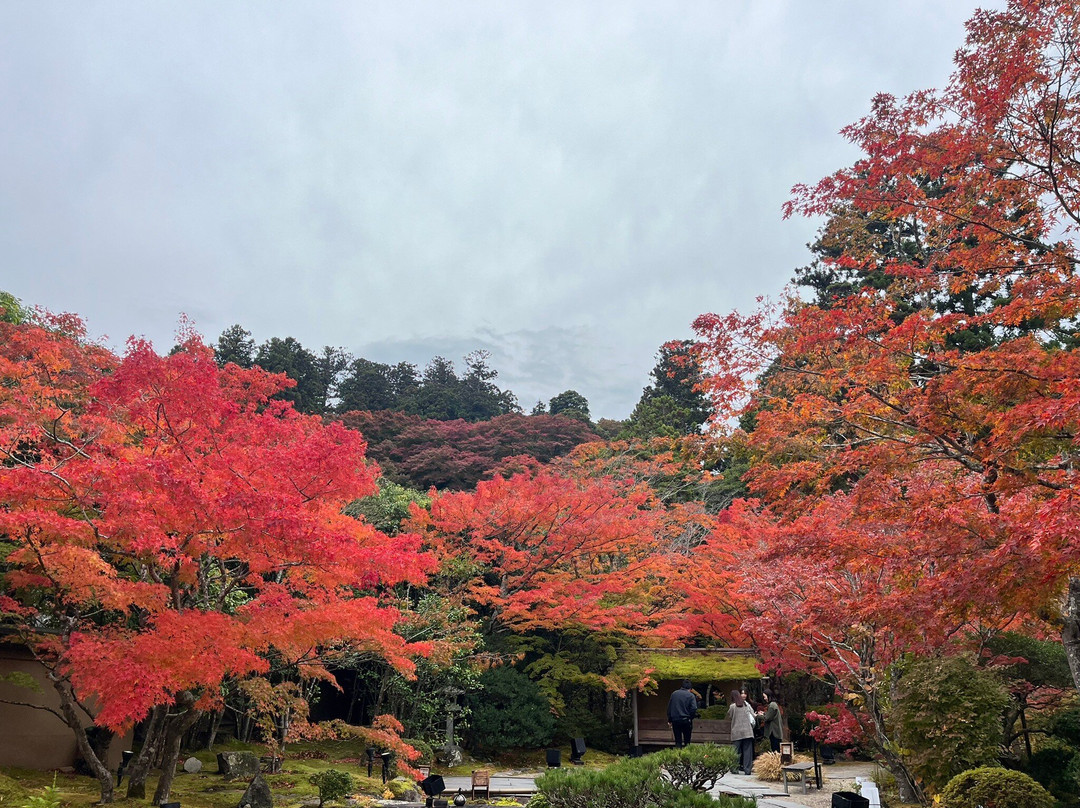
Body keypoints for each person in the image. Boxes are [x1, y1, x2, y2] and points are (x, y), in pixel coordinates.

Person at [727, 689, 755, 774]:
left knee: (736, 751)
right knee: (747, 751)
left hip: (737, 731)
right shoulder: (746, 705)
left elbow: (730, 715)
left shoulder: (732, 706)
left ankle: (735, 768)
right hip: (748, 731)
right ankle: (747, 769)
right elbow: (753, 715)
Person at [667, 679, 698, 748]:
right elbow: (693, 708)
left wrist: (669, 720)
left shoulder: (674, 694)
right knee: (687, 741)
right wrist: (690, 717)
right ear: (690, 688)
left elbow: (669, 707)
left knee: (678, 741)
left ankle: (678, 755)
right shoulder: (691, 695)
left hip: (675, 720)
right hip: (686, 720)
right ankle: (686, 755)